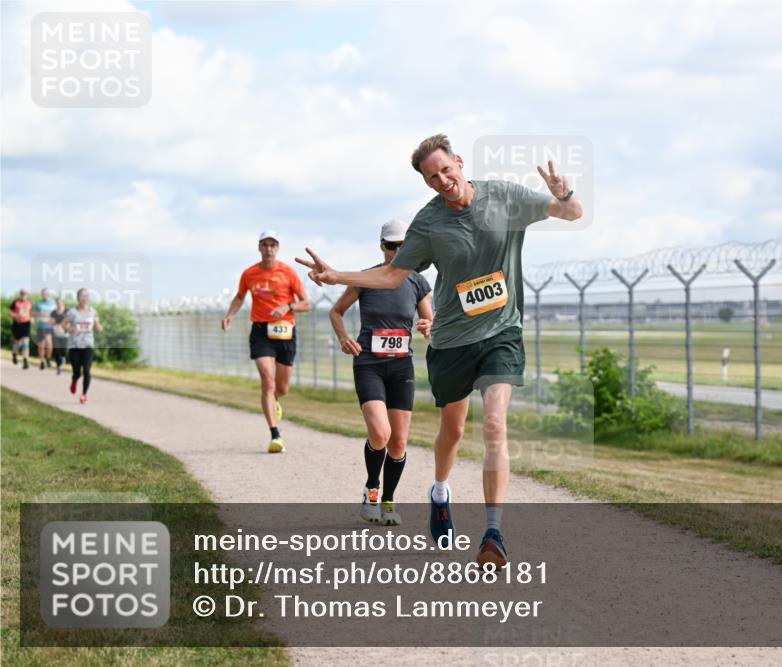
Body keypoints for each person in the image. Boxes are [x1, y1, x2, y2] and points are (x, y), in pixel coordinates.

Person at [297, 134, 583, 567]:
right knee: (452, 432)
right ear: (427, 184)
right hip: (451, 339)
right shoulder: (428, 223)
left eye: (447, 170)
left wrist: (564, 192)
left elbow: (571, 213)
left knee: (494, 424)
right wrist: (337, 276)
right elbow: (393, 275)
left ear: (460, 163)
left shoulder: (503, 196)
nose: (443, 180)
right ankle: (440, 490)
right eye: (433, 177)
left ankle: (493, 532)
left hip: (502, 332)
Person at [329, 219, 433, 526]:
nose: (397, 251)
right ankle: (372, 489)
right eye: (391, 246)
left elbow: (430, 321)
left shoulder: (417, 281)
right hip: (370, 364)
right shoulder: (366, 278)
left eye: (403, 246)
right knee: (380, 433)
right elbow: (336, 311)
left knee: (398, 442)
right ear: (382, 246)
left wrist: (429, 326)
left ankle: (388, 500)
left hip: (401, 366)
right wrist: (344, 338)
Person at [222, 231, 311, 453]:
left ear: (277, 248)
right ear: (259, 247)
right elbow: (240, 297)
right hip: (261, 330)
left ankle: (275, 400)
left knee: (282, 387)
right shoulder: (249, 273)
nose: (269, 249)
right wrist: (230, 315)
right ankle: (275, 435)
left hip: (285, 331)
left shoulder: (288, 272)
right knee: (267, 380)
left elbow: (306, 304)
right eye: (265, 244)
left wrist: (287, 307)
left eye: (273, 245)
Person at [64, 288, 103, 404]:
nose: (84, 298)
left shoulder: (93, 312)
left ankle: (84, 394)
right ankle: (74, 380)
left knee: (87, 370)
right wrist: (71, 329)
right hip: (74, 345)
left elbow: (98, 327)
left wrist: (98, 327)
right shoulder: (72, 312)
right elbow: (63, 325)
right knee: (77, 372)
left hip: (88, 345)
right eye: (82, 296)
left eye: (86, 296)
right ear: (78, 298)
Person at [33, 288, 57, 370]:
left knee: (49, 345)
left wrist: (53, 320)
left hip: (49, 327)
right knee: (41, 346)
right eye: (44, 293)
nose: (45, 295)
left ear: (49, 294)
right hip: (40, 326)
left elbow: (56, 315)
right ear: (42, 294)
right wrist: (38, 313)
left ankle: (48, 359)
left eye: (47, 293)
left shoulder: (53, 304)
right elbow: (32, 313)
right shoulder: (38, 304)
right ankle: (42, 362)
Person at [9, 289, 32, 369]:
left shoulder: (29, 303)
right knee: (17, 344)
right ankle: (14, 354)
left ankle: (25, 361)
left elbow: (32, 313)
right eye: (22, 294)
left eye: (25, 294)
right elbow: (10, 313)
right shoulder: (16, 302)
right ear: (20, 294)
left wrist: (32, 318)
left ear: (27, 295)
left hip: (26, 324)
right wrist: (17, 316)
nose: (23, 295)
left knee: (25, 343)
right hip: (17, 325)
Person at [50, 298, 69, 375]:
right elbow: (50, 321)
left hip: (65, 333)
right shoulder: (54, 312)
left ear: (63, 302)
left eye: (60, 302)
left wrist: (67, 325)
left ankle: (63, 358)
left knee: (63, 350)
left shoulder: (67, 311)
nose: (58, 304)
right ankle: (59, 366)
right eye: (57, 303)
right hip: (56, 333)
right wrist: (52, 322)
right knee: (56, 350)